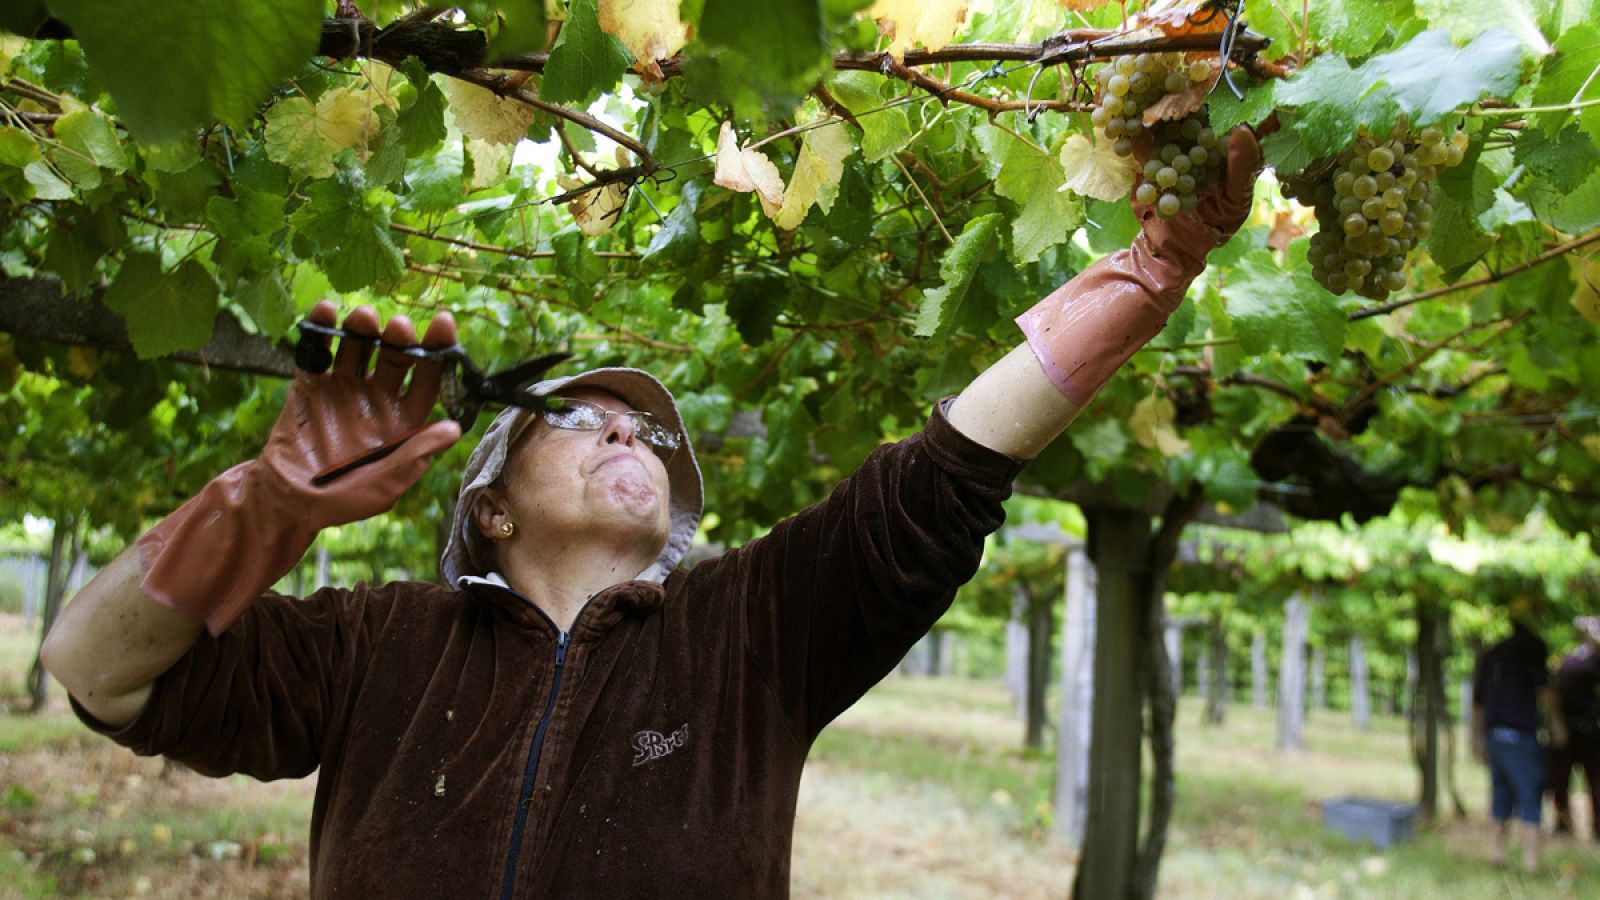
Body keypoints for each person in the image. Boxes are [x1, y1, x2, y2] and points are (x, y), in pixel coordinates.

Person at [40, 129, 1262, 896]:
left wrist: (1147, 273)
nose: (629, 429)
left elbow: (940, 474)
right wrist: (261, 510)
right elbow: (95, 672)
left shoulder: (752, 631)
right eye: (581, 420)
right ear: (492, 513)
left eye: (648, 433)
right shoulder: (373, 645)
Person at [1472, 595, 1567, 871]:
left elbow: (1478, 700)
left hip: (1495, 732)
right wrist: (1557, 724)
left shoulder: (1494, 652)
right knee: (1530, 793)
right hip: (1519, 733)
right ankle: (1530, 860)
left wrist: (1478, 738)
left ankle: (1496, 852)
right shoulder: (1532, 649)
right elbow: (1545, 689)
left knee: (1500, 792)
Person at [1549, 616, 1600, 840]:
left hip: (1594, 732)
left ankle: (1597, 828)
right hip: (1568, 730)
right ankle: (1563, 823)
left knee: (1596, 782)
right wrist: (1557, 724)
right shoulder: (1570, 660)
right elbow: (1555, 694)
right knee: (1560, 780)